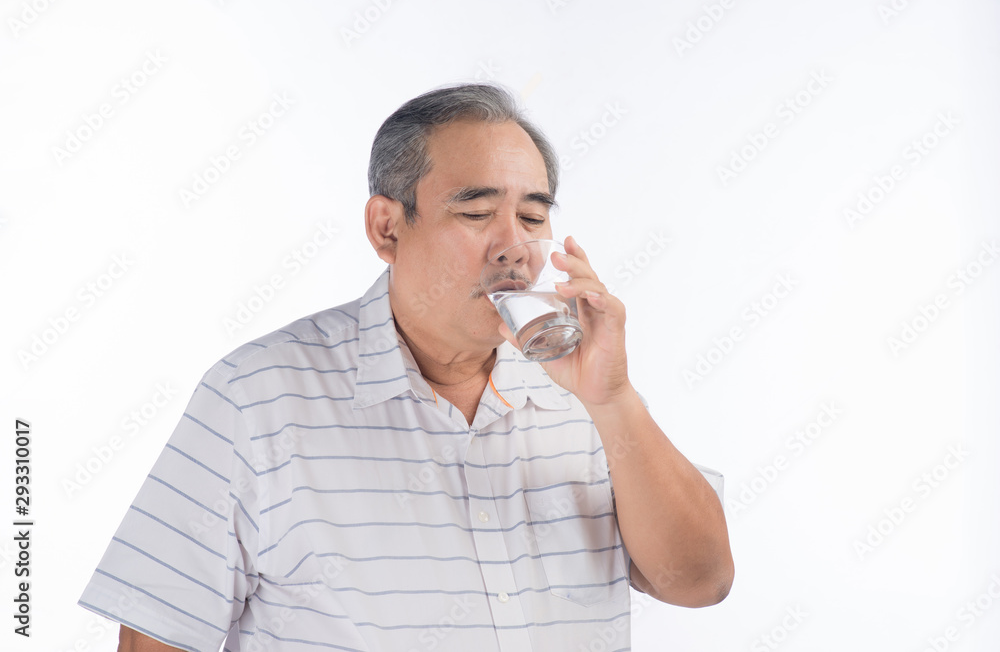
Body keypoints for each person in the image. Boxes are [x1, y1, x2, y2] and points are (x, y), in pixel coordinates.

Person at [79, 83, 734, 652]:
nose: (514, 246)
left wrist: (614, 398)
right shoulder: (255, 398)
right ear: (387, 227)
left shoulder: (587, 393)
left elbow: (702, 581)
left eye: (532, 216)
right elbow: (155, 635)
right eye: (477, 212)